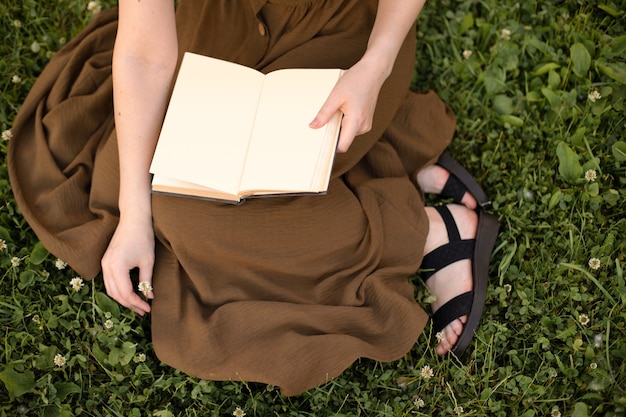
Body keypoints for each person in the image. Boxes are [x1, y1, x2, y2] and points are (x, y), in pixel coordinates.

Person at [8, 0, 498, 396]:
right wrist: (135, 212)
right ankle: (378, 164)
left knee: (187, 211)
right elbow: (142, 55)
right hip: (214, 25)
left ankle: (428, 230)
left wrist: (376, 62)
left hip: (345, 28)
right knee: (125, 178)